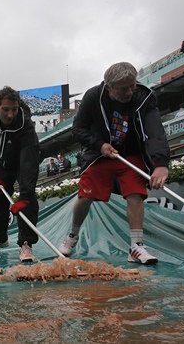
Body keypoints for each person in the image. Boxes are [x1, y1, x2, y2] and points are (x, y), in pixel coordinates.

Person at [57, 62, 170, 265]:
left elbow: (154, 130)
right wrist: (100, 145)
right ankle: (73, 236)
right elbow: (79, 129)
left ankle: (136, 246)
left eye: (132, 86)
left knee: (135, 193)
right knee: (85, 196)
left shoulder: (144, 97)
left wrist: (160, 163)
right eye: (123, 88)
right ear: (109, 87)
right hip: (100, 154)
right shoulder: (93, 97)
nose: (129, 92)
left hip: (131, 154)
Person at [0, 86, 40, 262]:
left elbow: (29, 160)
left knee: (27, 201)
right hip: (4, 164)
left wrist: (25, 196)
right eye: (5, 109)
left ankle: (26, 244)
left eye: (14, 109)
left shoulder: (26, 125)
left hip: (23, 162)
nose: (10, 115)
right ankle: (0, 238)